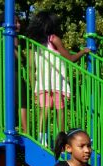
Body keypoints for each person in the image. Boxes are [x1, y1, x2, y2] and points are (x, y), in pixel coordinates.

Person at [26, 11, 91, 146]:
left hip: (42, 82)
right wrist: (83, 51)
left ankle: (41, 138)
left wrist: (34, 87)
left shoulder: (35, 43)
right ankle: (61, 140)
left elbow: (31, 67)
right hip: (56, 81)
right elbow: (70, 58)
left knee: (44, 109)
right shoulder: (54, 39)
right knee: (60, 110)